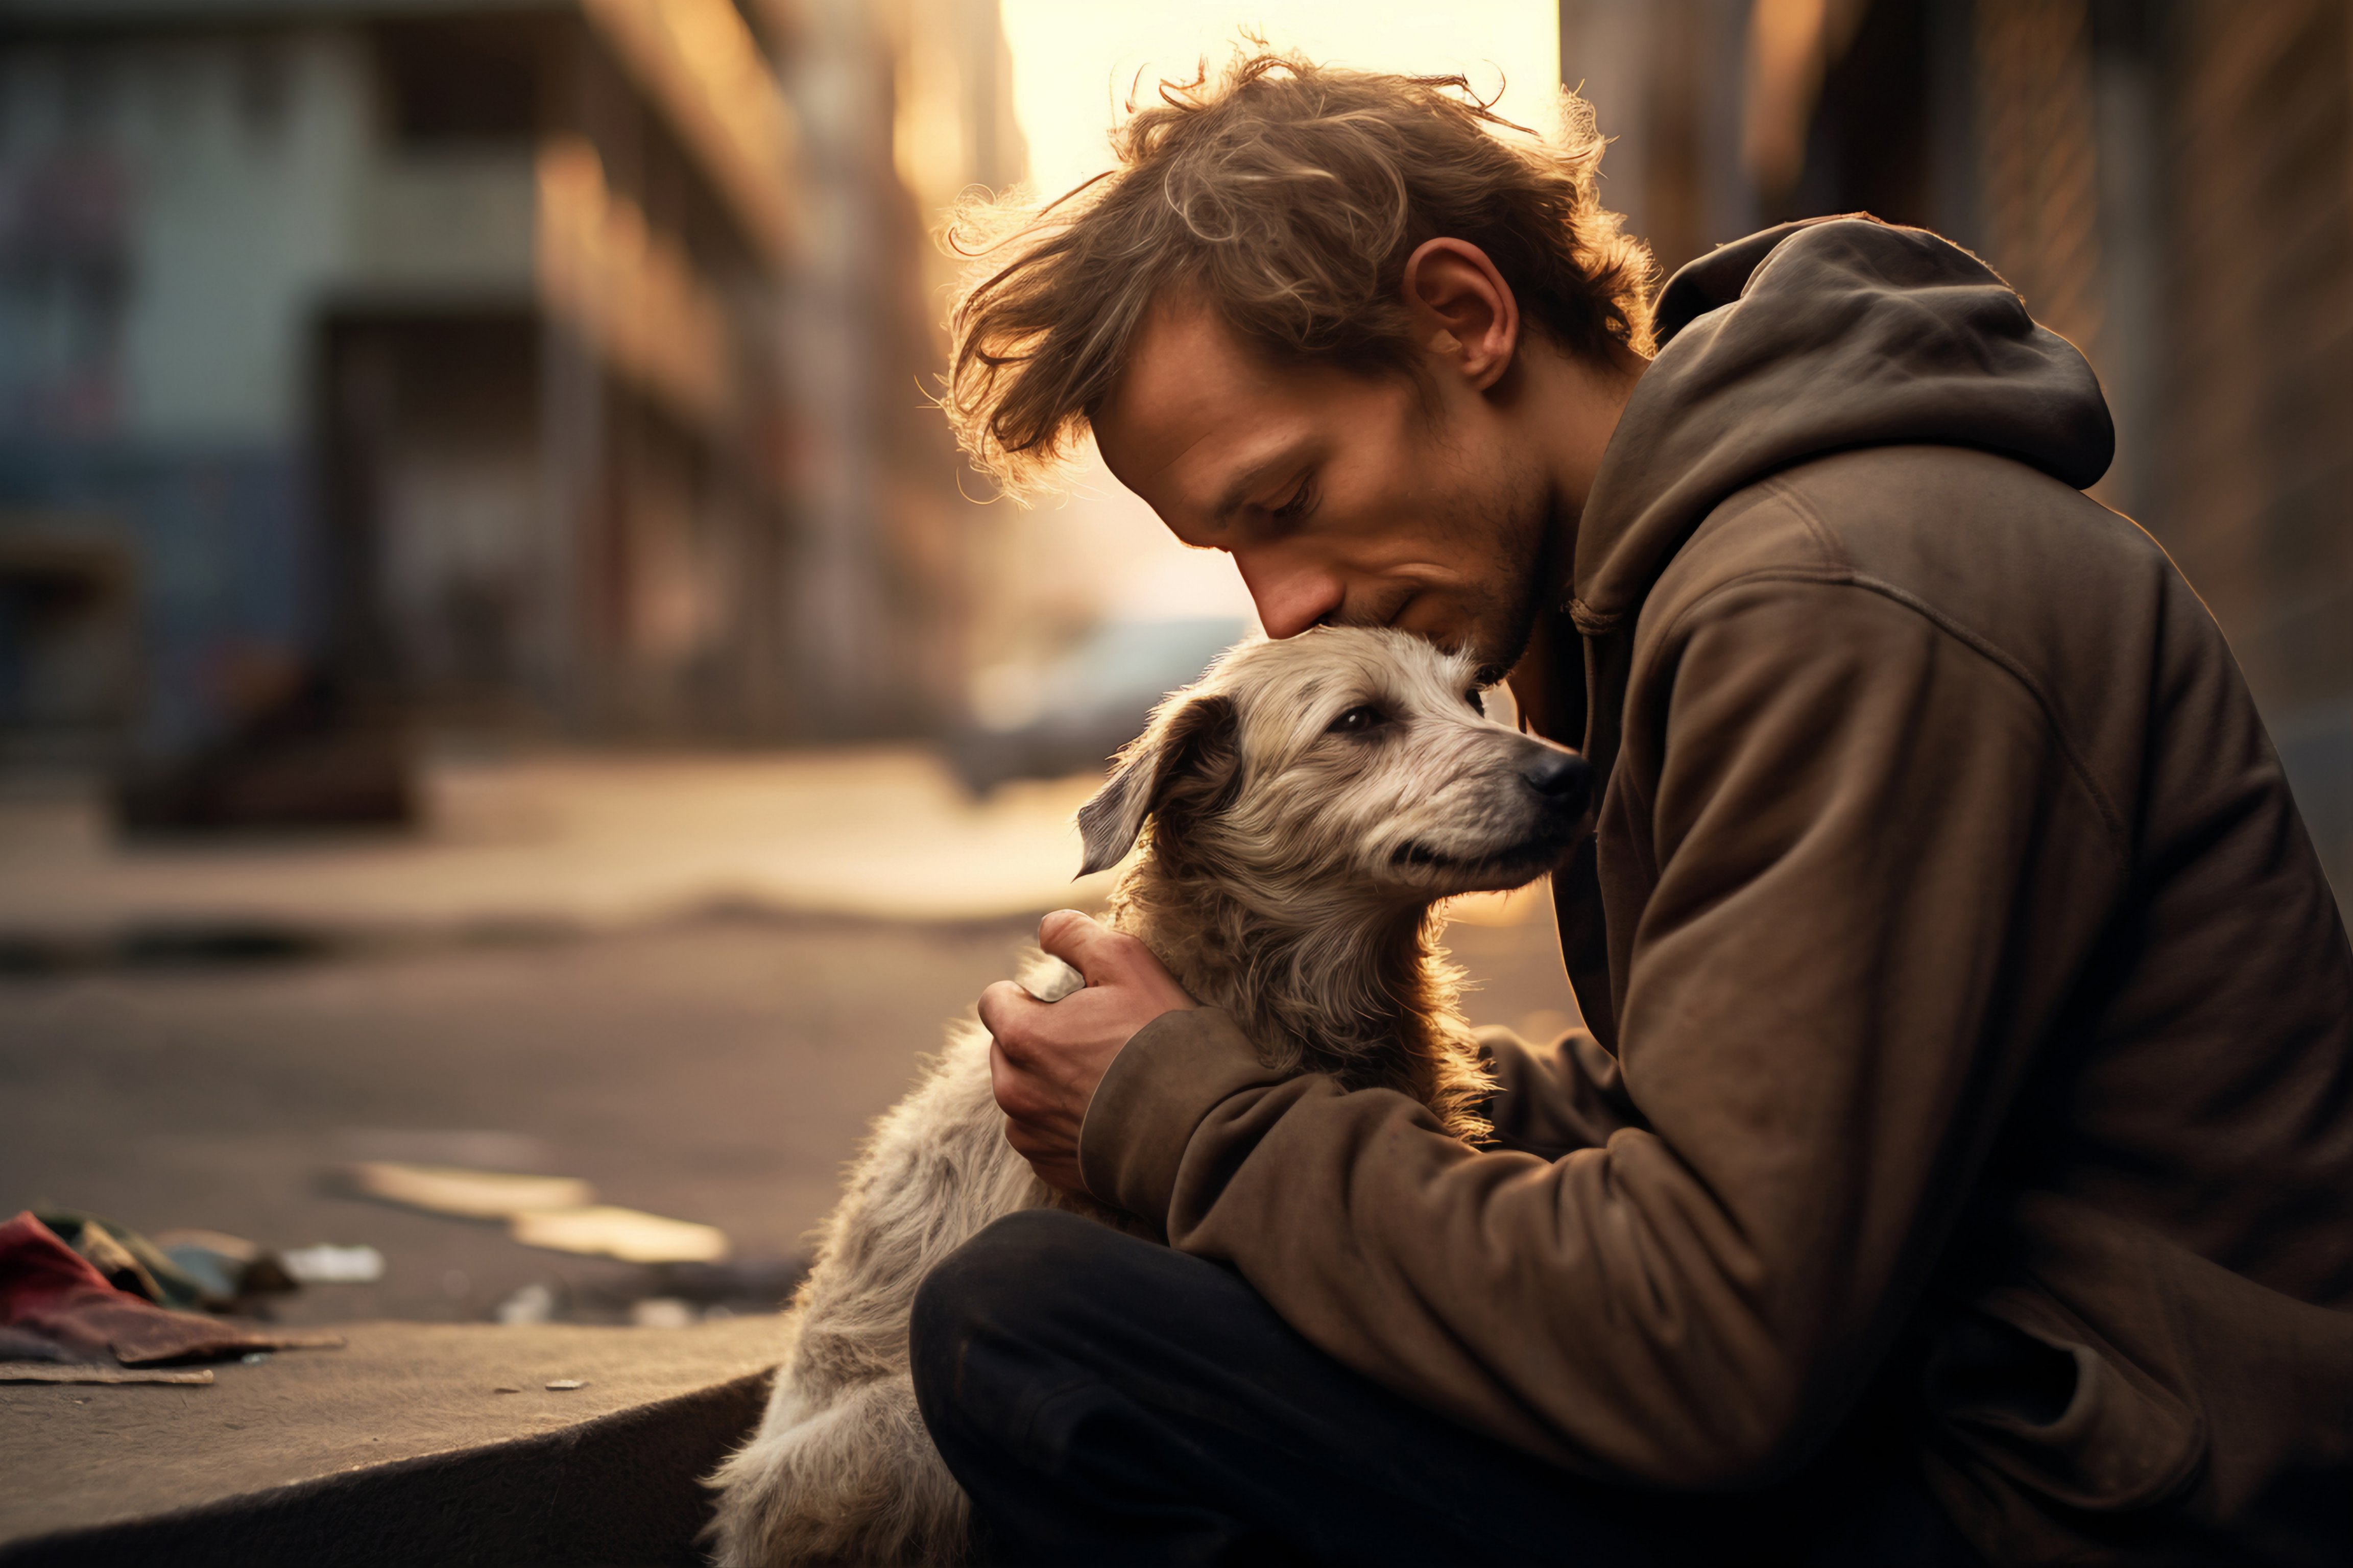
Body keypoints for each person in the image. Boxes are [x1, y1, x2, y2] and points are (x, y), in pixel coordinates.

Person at [910, 54, 2353, 1567]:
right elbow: (1764, 1103)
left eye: (1284, 503)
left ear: (1464, 317)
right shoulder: (1686, 589)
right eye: (1232, 552)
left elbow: (1711, 1340)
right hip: (1988, 1403)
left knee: (1041, 1331)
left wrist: (1197, 1119)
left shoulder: (1825, 595)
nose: (1282, 606)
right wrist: (1310, 1060)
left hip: (2093, 1504)